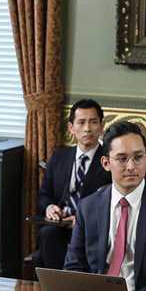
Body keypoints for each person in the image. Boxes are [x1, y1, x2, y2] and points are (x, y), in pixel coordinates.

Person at [64, 120, 146, 291]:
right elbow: (73, 265)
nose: (131, 166)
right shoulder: (88, 207)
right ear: (106, 163)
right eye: (122, 159)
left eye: (138, 157)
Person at [36, 99, 110, 270]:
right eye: (81, 122)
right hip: (60, 224)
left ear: (101, 126)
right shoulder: (59, 157)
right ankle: (55, 288)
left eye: (93, 122)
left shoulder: (109, 160)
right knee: (48, 233)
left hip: (91, 229)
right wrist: (49, 207)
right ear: (71, 128)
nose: (87, 128)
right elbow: (43, 195)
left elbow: (110, 201)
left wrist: (81, 218)